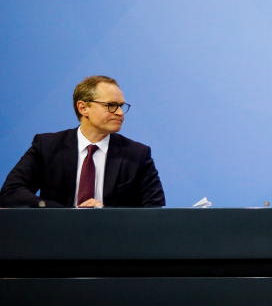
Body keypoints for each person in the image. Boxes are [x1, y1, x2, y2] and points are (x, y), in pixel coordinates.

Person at [0, 75, 165, 208]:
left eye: (121, 106)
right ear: (83, 108)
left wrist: (105, 214)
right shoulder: (47, 146)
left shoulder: (137, 154)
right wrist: (64, 213)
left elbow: (154, 209)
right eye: (112, 105)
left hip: (114, 242)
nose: (120, 113)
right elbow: (11, 192)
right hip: (54, 239)